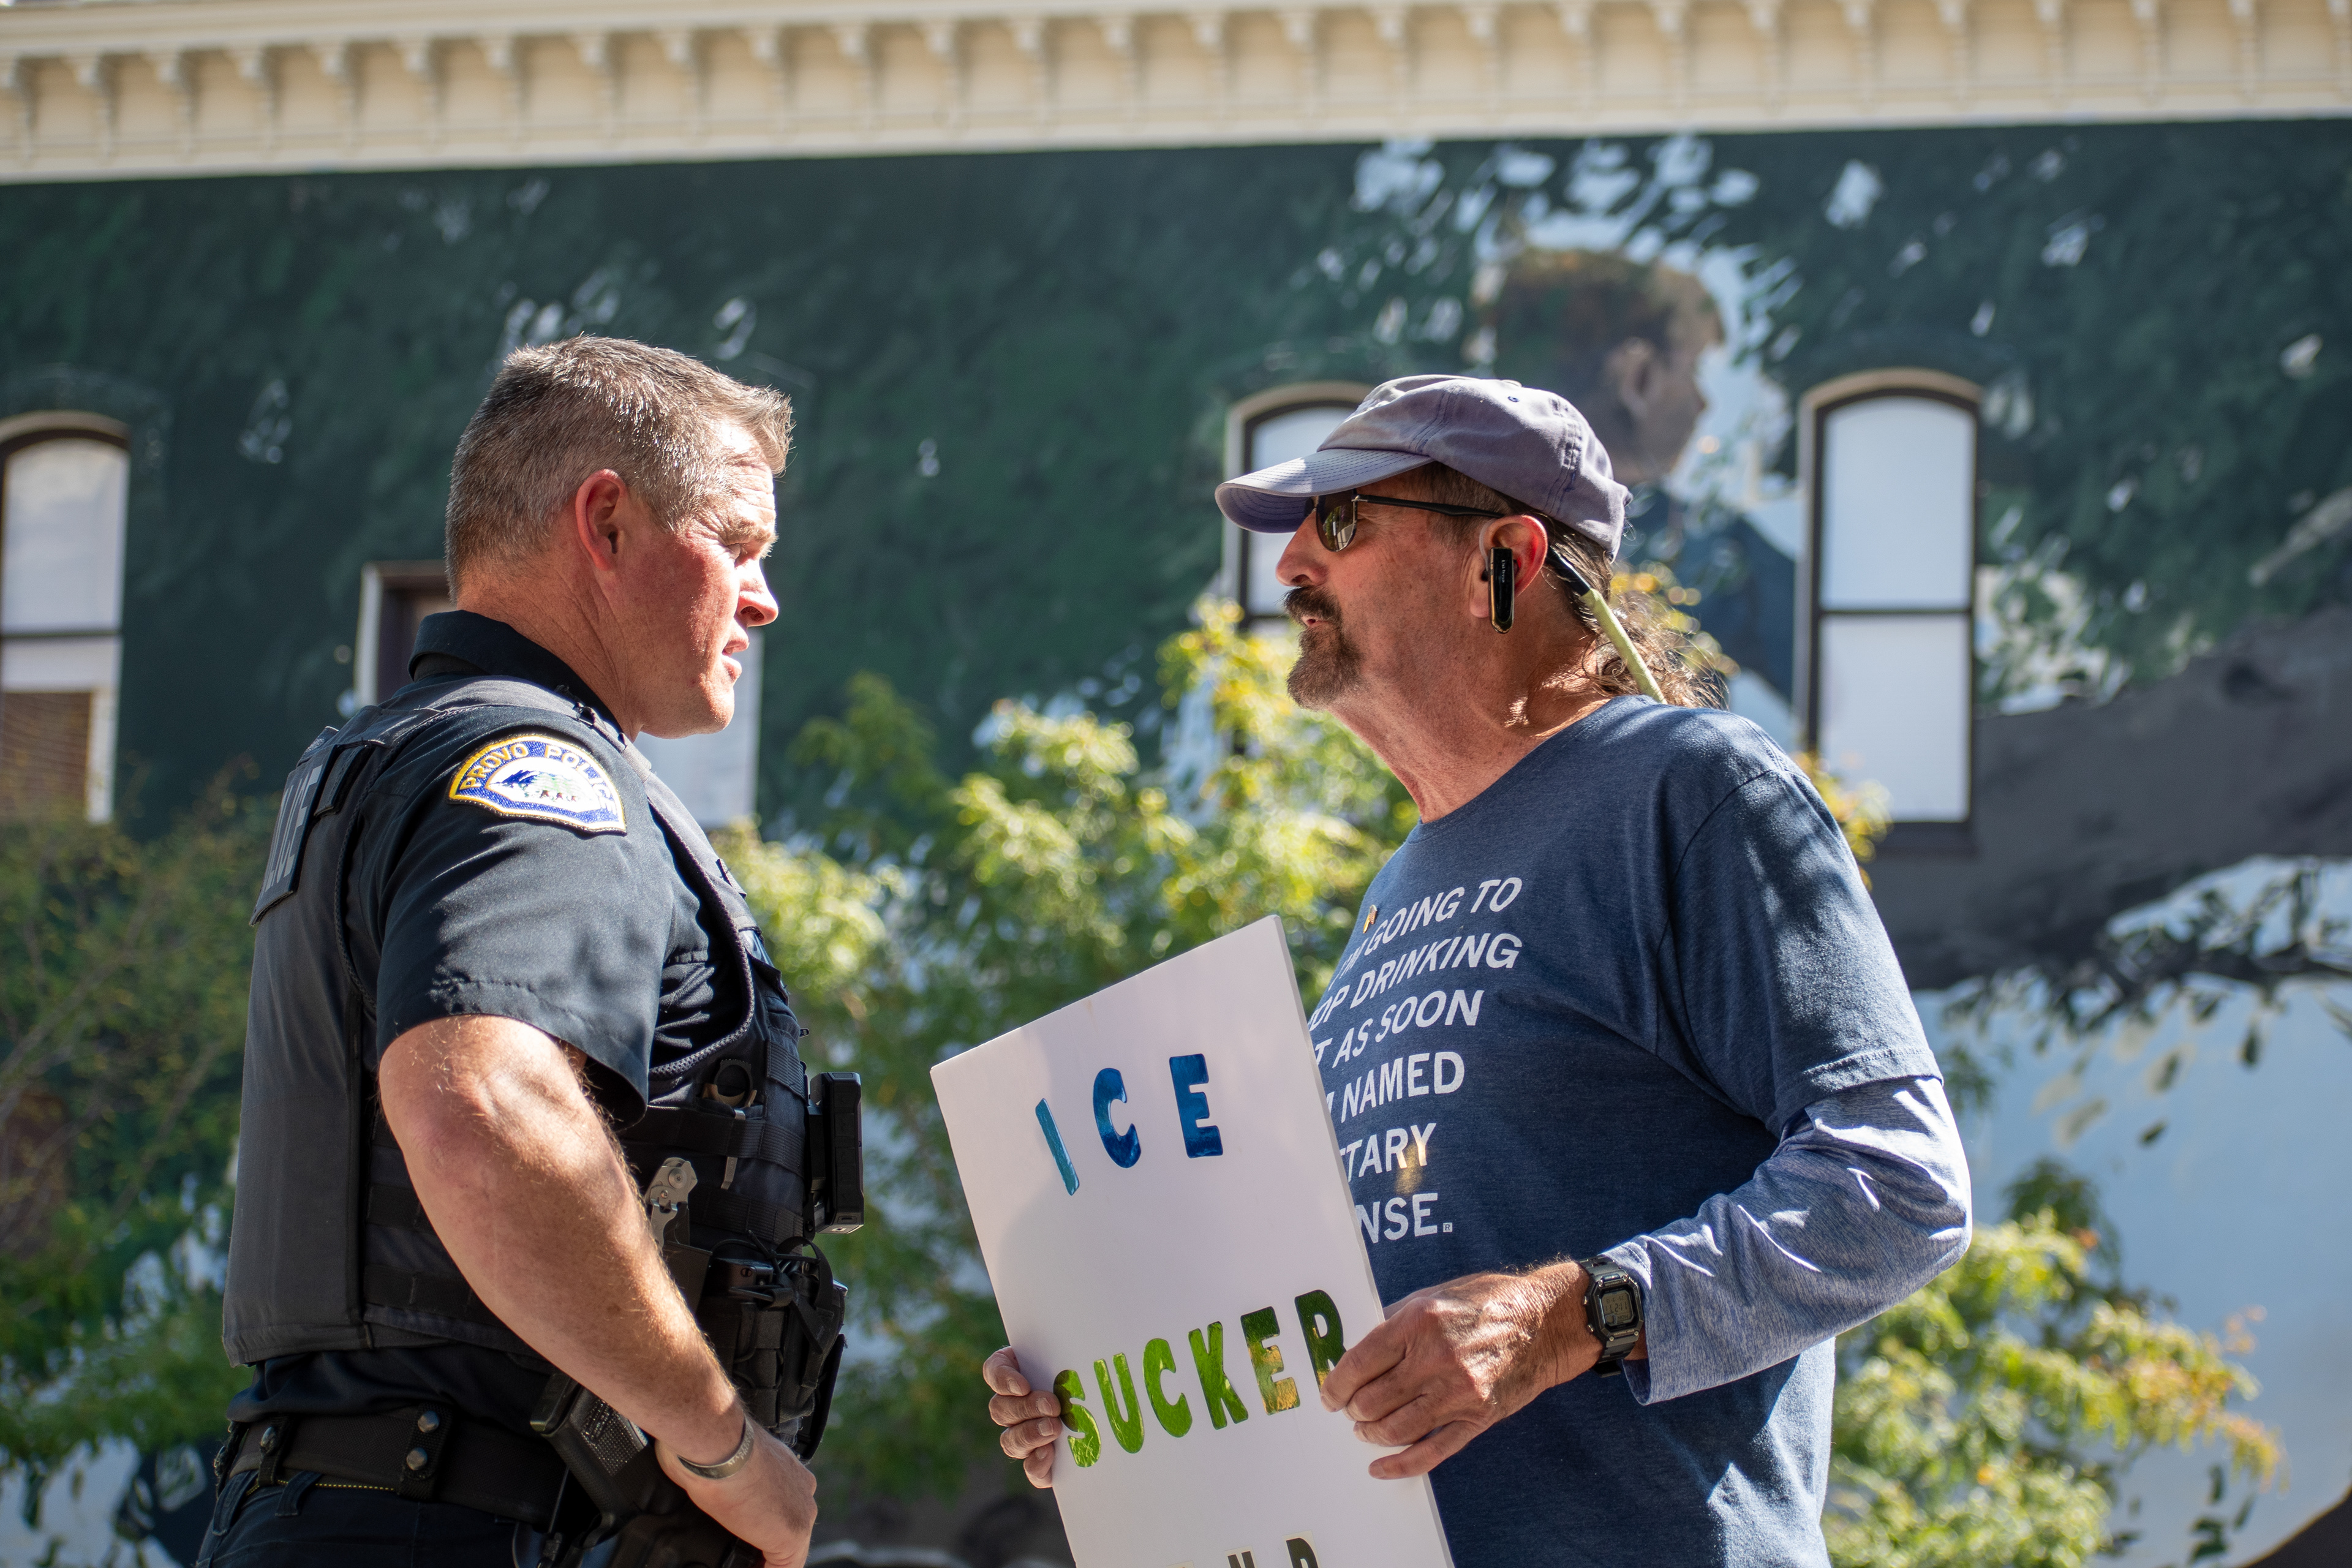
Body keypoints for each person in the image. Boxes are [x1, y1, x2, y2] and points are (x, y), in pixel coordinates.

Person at [983, 374, 1972, 1566]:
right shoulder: (1395, 890)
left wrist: (1568, 1315)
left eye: (1342, 520)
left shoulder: (1694, 788)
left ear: (1502, 556)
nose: (1292, 562)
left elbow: (1900, 1185)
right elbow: (1354, 1315)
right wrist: (1128, 1395)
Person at [201, 338, 851, 1568]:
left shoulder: (389, 754)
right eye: (738, 543)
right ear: (605, 520)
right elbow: (483, 1105)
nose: (764, 600)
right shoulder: (545, 774)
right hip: (467, 1524)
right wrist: (722, 1448)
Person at [1491, 247, 1796, 701]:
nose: (1703, 403)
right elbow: (1841, 685)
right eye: (1692, 370)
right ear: (1639, 376)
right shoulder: (1712, 546)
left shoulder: (1470, 527)